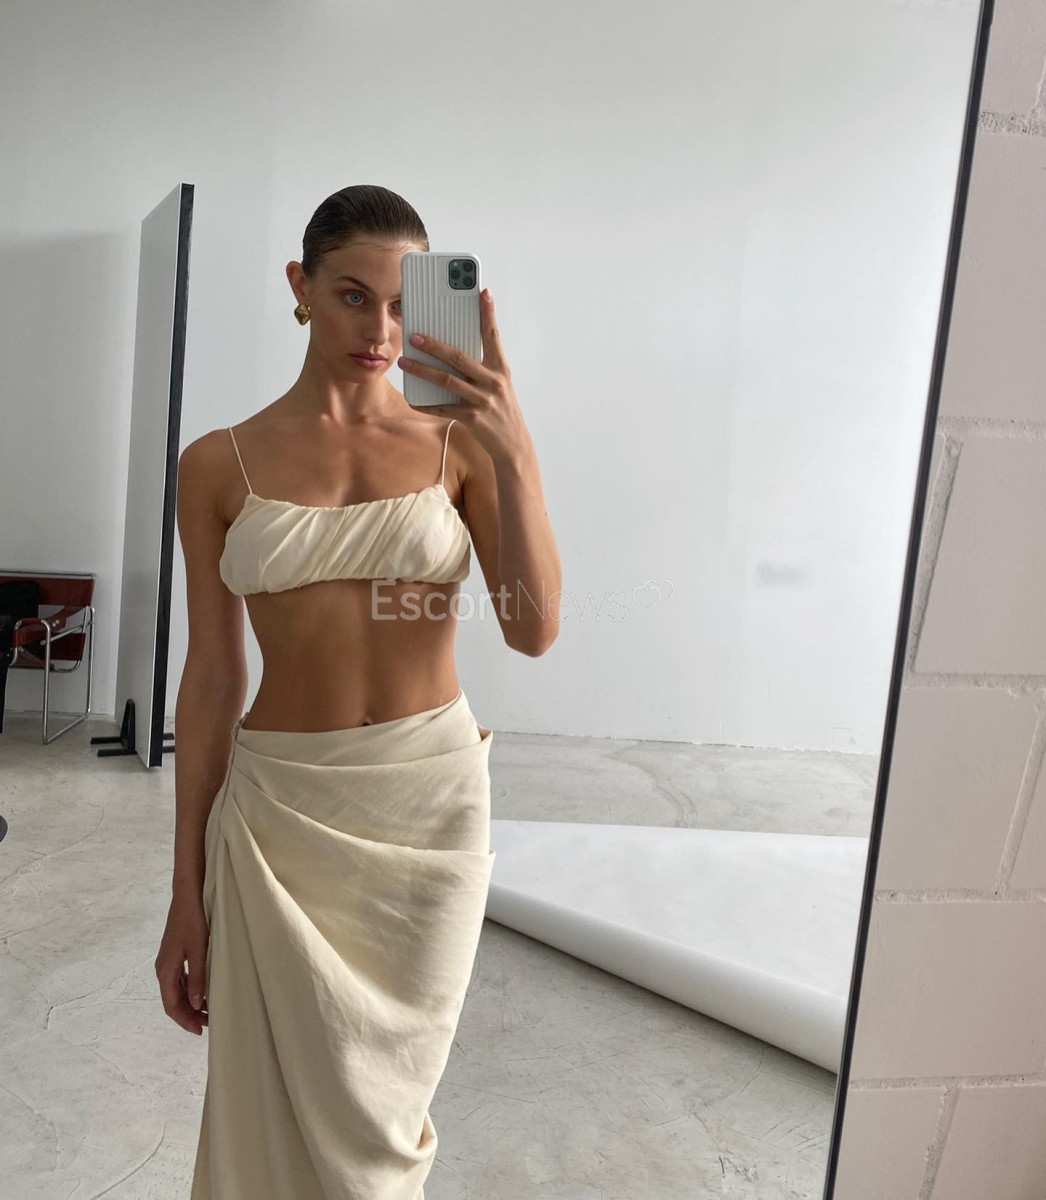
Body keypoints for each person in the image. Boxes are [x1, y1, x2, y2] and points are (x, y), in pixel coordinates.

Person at [153, 183, 561, 1199]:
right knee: (265, 1112)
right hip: (278, 820)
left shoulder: (459, 443)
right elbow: (211, 678)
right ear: (299, 286)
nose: (379, 331)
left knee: (381, 1126)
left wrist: (514, 446)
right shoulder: (216, 463)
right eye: (351, 296)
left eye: (402, 305)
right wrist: (184, 891)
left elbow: (532, 627)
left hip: (428, 808)